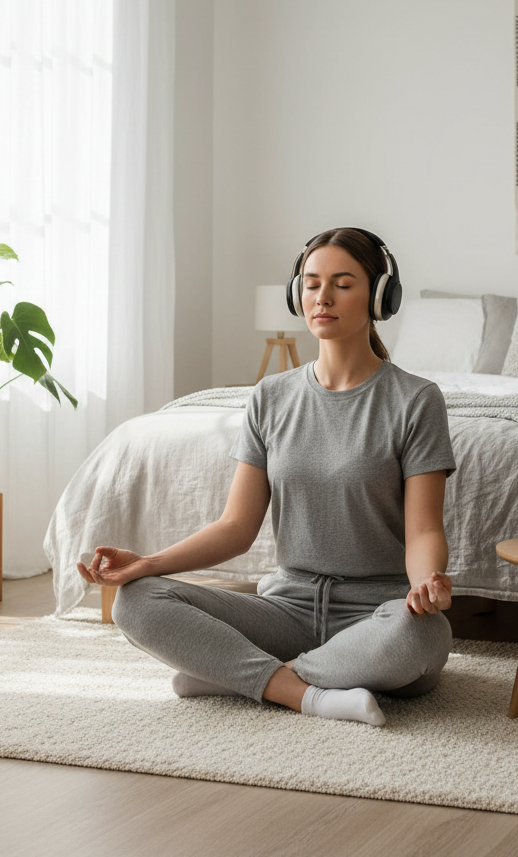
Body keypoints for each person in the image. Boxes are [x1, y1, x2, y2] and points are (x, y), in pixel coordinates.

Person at [76, 227, 456, 726]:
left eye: (343, 284)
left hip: (375, 616)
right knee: (138, 600)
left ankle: (236, 675)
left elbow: (424, 529)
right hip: (286, 612)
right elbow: (236, 527)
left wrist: (426, 584)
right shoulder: (270, 397)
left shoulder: (415, 400)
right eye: (312, 283)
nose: (323, 297)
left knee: (423, 636)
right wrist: (147, 563)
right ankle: (306, 693)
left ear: (380, 296)